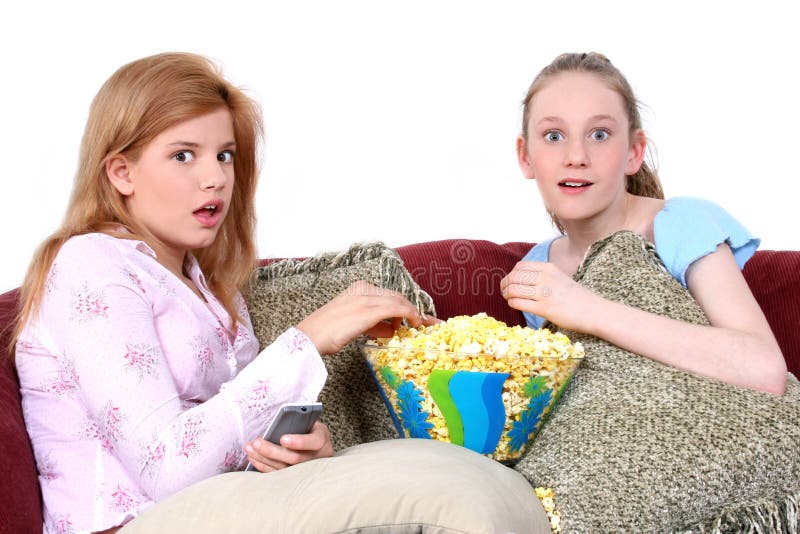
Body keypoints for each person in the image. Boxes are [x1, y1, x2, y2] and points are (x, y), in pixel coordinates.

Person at [11, 52, 435, 533]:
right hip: (127, 526)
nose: (214, 177)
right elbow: (168, 470)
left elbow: (222, 451)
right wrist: (307, 341)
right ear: (121, 173)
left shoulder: (213, 290)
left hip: (220, 515)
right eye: (182, 155)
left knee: (416, 480)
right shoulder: (89, 264)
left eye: (224, 155)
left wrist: (291, 452)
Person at [500, 52, 787, 395]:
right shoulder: (538, 268)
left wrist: (585, 308)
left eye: (600, 134)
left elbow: (764, 368)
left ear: (634, 152)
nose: (576, 157)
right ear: (525, 156)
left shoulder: (680, 225)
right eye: (553, 136)